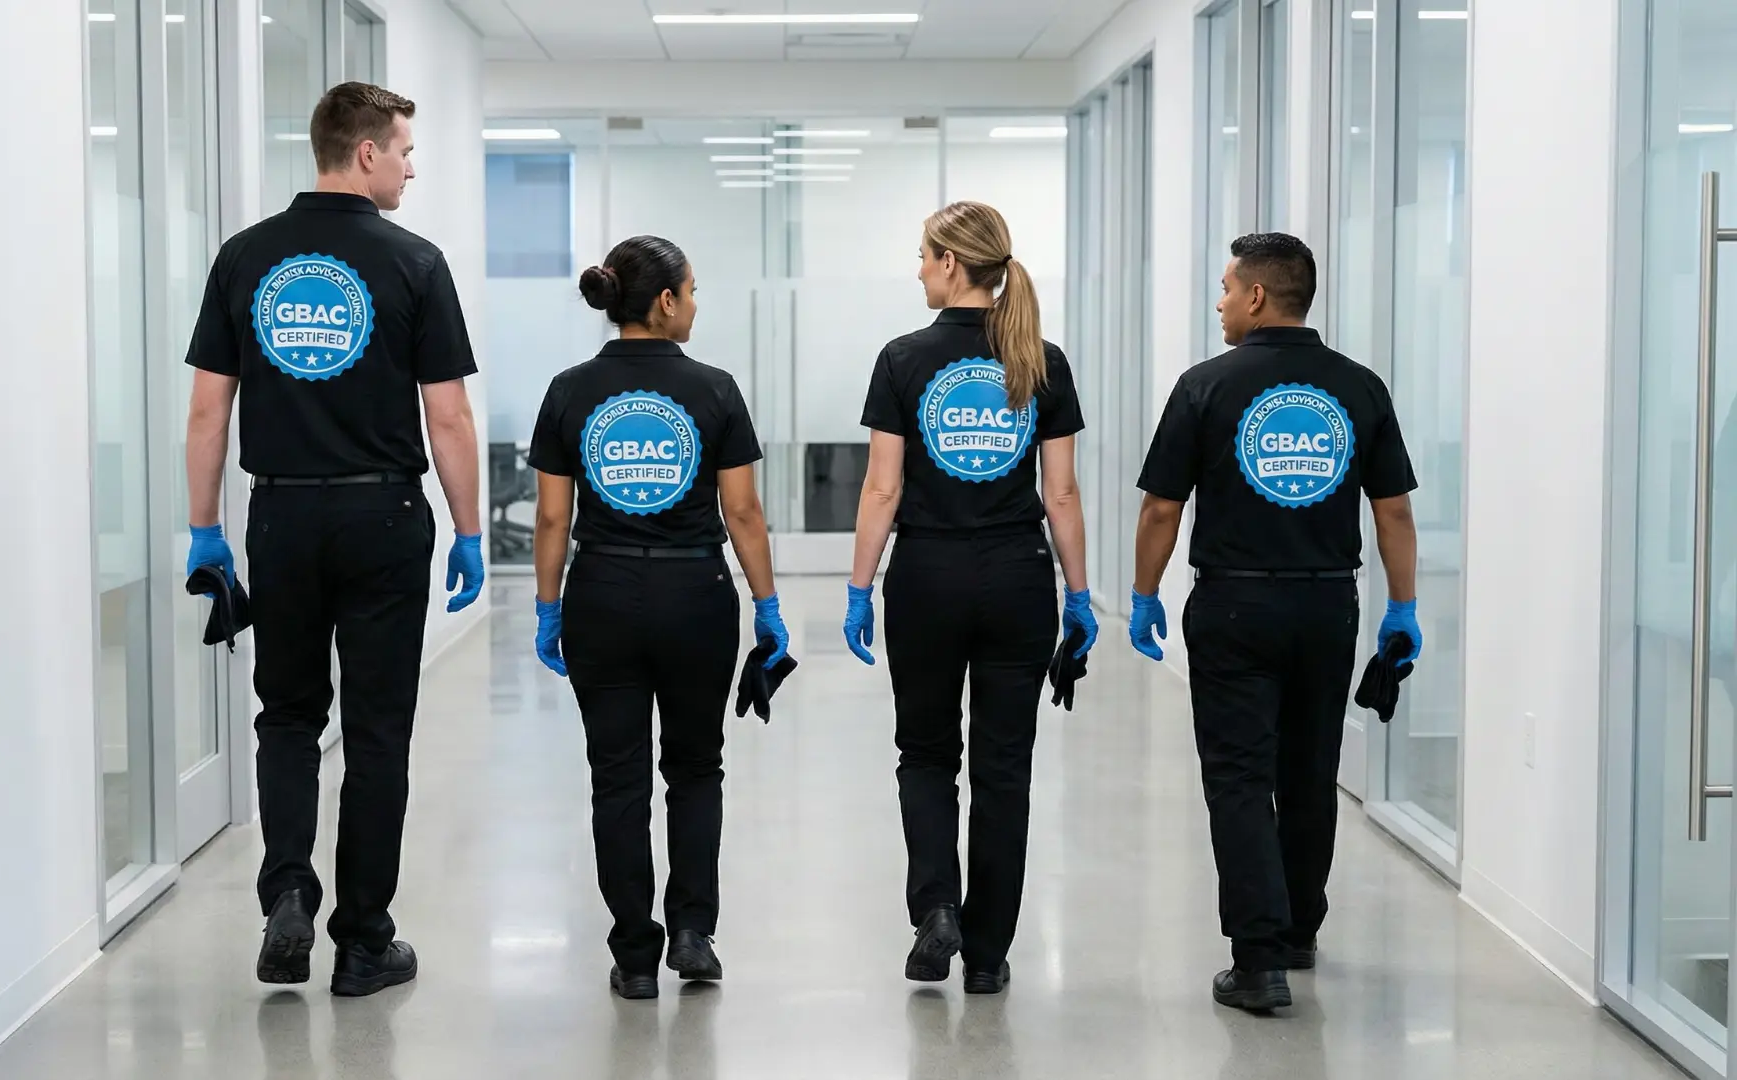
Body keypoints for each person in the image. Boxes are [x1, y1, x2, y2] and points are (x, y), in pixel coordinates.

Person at [182, 82, 484, 998]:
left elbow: (206, 410)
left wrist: (205, 530)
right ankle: (362, 943)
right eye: (402, 151)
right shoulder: (414, 263)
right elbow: (452, 419)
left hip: (280, 514)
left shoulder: (244, 258)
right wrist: (470, 530)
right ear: (363, 154)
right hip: (384, 516)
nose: (410, 167)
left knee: (287, 715)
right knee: (380, 730)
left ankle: (286, 894)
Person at [1129, 232, 1421, 1012]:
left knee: (1238, 777)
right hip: (1329, 605)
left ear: (1257, 296)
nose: (1219, 301)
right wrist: (1403, 606)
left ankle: (1258, 962)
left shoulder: (1205, 386)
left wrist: (1144, 592)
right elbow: (1392, 509)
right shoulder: (1359, 387)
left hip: (1233, 604)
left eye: (1226, 288)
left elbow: (1162, 506)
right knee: (1308, 773)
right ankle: (1296, 931)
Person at [526, 235, 789, 1002]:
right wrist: (768, 607)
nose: (697, 305)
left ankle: (635, 955)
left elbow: (550, 519)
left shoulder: (569, 389)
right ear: (666, 301)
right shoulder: (714, 389)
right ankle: (693, 932)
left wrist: (549, 610)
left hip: (601, 596)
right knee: (695, 768)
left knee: (617, 779)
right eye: (694, 291)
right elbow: (741, 511)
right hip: (695, 597)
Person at [845, 201, 1095, 996]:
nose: (918, 267)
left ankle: (935, 910)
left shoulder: (902, 358)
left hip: (927, 577)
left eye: (924, 254)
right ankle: (987, 955)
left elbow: (882, 489)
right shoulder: (1040, 359)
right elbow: (1060, 495)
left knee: (924, 754)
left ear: (953, 262)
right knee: (1004, 768)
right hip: (1018, 578)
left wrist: (857, 588)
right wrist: (1081, 596)